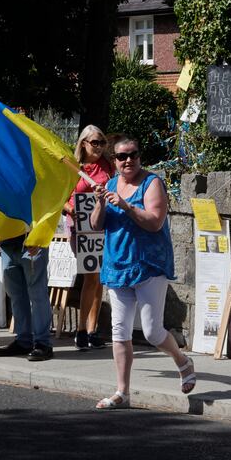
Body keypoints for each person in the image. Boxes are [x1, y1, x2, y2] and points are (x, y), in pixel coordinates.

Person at [90, 136, 196, 409]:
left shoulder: (152, 183)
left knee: (151, 331)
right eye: (121, 156)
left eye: (133, 155)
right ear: (114, 160)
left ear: (140, 156)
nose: (128, 160)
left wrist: (125, 206)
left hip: (148, 265)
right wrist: (101, 203)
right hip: (117, 265)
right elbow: (95, 224)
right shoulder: (110, 185)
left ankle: (182, 361)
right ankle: (122, 392)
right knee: (119, 331)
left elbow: (155, 222)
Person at [63, 125, 114, 350]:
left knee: (99, 277)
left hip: (104, 224)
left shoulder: (109, 166)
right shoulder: (73, 168)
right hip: (80, 226)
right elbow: (60, 198)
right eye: (95, 143)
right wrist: (70, 209)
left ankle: (92, 329)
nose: (100, 147)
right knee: (91, 276)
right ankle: (82, 329)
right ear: (83, 143)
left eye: (102, 143)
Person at [0, 235, 53, 361]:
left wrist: (40, 237)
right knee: (16, 295)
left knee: (38, 295)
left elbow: (50, 214)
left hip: (32, 242)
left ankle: (43, 343)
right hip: (7, 245)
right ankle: (23, 341)